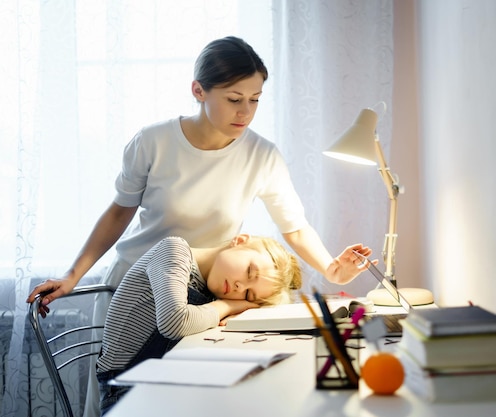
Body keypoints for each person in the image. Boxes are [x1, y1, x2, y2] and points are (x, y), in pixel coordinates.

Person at [27, 35, 375, 417]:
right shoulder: (154, 141)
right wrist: (73, 275)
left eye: (255, 99)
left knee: (193, 403)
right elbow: (117, 213)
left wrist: (330, 268)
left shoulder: (262, 155)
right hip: (136, 291)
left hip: (204, 295)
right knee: (122, 406)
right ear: (198, 90)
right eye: (234, 98)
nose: (245, 111)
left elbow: (294, 227)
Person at [96, 234, 301, 414]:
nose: (240, 287)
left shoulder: (211, 289)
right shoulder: (174, 250)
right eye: (249, 272)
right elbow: (174, 322)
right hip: (126, 393)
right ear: (239, 241)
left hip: (162, 386)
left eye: (248, 294)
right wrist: (228, 305)